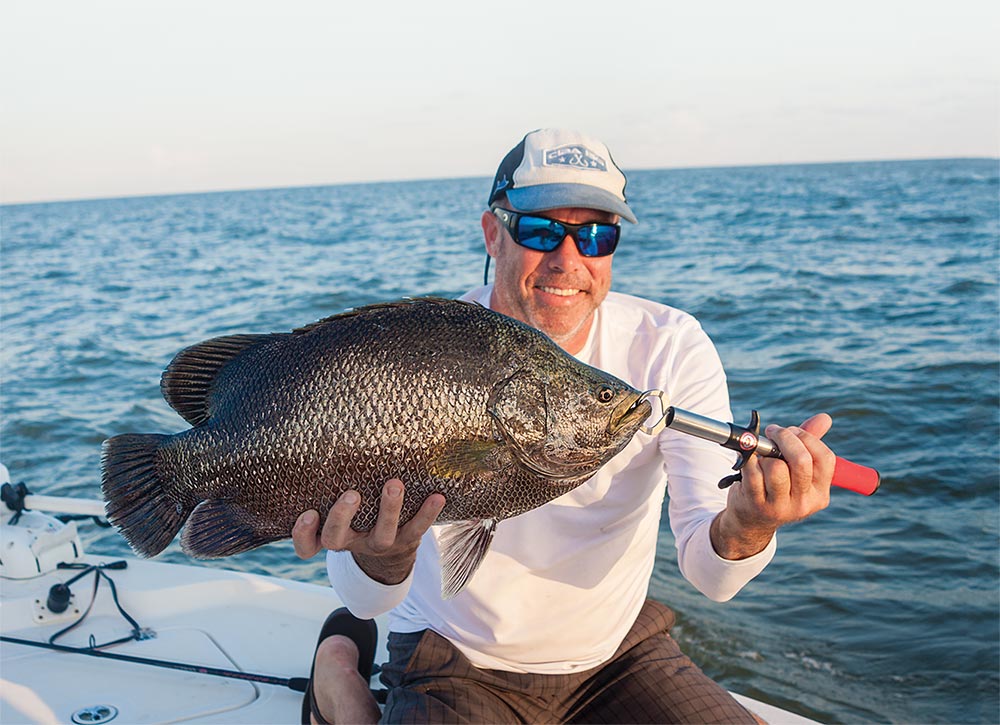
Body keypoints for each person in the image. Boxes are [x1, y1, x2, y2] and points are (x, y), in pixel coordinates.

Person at [292, 128, 836, 724]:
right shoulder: (421, 354)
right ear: (492, 233)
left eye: (597, 234)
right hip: (452, 652)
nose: (568, 259)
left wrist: (749, 523)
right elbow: (366, 597)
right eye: (541, 229)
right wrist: (384, 558)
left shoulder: (668, 347)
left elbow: (713, 577)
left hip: (615, 652)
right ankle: (339, 678)